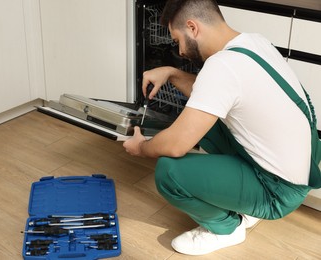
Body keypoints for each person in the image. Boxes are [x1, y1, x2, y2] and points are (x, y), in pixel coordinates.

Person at [123, 0, 315, 256]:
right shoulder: (252, 42)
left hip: (278, 191)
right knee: (205, 120)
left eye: (178, 39)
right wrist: (170, 72)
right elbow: (212, 92)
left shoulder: (221, 67)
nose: (179, 50)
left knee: (168, 172)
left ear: (192, 27)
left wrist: (142, 148)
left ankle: (226, 228)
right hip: (296, 169)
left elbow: (176, 145)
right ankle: (244, 201)